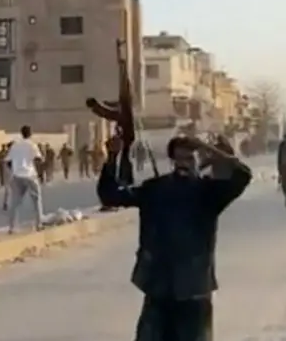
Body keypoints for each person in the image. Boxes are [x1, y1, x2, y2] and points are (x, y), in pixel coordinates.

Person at [98, 135, 251, 341]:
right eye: (179, 159)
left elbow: (243, 175)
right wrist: (112, 157)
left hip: (194, 291)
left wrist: (213, 151)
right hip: (159, 289)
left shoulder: (210, 192)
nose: (183, 164)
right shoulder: (155, 189)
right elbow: (110, 195)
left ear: (199, 161)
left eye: (189, 158)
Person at [5, 125, 44, 234]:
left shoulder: (15, 145)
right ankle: (39, 224)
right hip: (30, 175)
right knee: (36, 200)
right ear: (30, 133)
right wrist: (40, 173)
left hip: (17, 175)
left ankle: (12, 227)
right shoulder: (32, 145)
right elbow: (38, 159)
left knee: (15, 202)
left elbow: (8, 161)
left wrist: (14, 170)